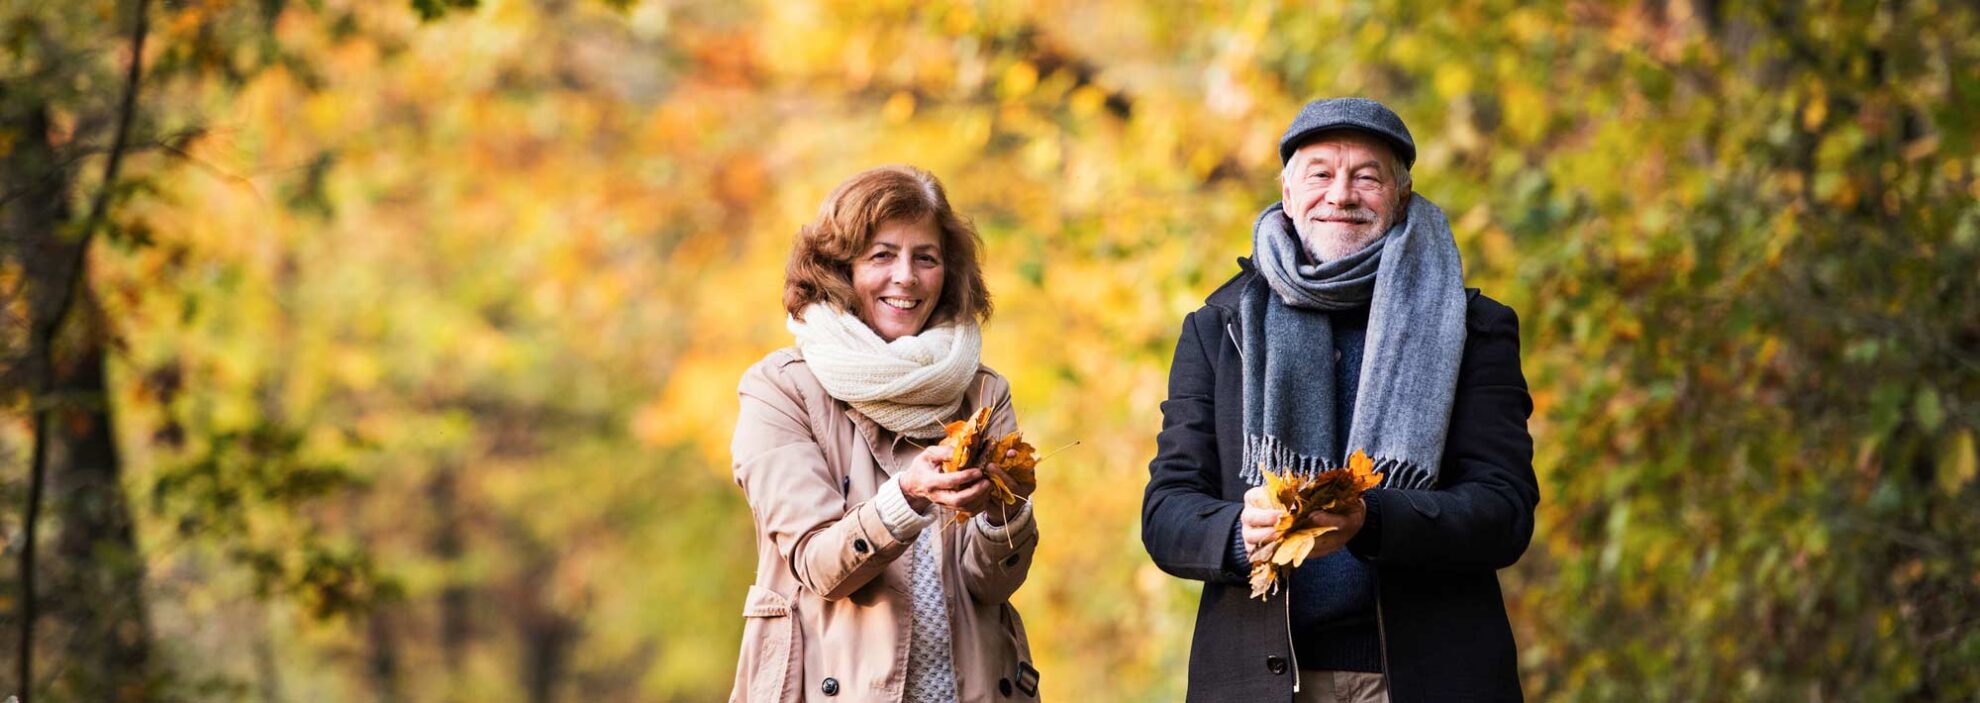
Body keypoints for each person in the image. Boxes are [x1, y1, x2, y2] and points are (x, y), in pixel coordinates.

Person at [1140, 97, 1538, 702]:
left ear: (1400, 195)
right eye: (1320, 173)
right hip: (1260, 686)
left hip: (1427, 680)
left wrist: (1372, 520)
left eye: (1366, 177)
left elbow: (1504, 513)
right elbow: (1166, 511)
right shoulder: (1220, 328)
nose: (1341, 194)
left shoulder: (1472, 327)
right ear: (1288, 193)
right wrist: (1238, 535)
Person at [729, 165, 1042, 702]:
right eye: (882, 255)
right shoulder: (779, 389)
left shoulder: (983, 391)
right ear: (839, 268)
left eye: (926, 258)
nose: (906, 277)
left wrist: (1002, 515)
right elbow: (821, 566)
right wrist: (908, 497)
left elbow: (992, 585)